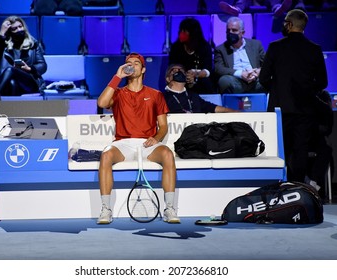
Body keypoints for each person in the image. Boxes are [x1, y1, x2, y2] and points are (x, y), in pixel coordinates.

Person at [96, 53, 180, 224]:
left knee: (168, 155)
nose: (132, 66)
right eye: (128, 63)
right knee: (105, 156)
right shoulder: (117, 93)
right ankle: (106, 210)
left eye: (136, 63)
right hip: (122, 144)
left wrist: (156, 138)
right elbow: (102, 103)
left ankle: (169, 209)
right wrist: (117, 77)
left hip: (147, 145)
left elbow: (163, 126)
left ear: (143, 69)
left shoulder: (156, 95)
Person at [259, 9, 328, 183]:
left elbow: (263, 78)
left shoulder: (275, 47)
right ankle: (297, 189)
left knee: (280, 150)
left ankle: (280, 188)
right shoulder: (314, 49)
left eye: (284, 23)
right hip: (305, 109)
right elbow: (323, 82)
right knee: (300, 151)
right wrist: (307, 91)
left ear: (289, 24)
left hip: (279, 109)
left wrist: (276, 89)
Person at [0, 16, 47, 96]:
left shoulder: (33, 43)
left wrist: (30, 68)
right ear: (9, 31)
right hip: (8, 81)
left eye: (20, 26)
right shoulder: (3, 44)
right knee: (12, 83)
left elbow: (43, 65)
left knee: (11, 70)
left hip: (29, 80)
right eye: (14, 29)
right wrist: (1, 34)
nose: (19, 30)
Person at [214, 16, 265, 94]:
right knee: (224, 81)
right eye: (228, 30)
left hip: (255, 80)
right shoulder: (220, 49)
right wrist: (241, 74)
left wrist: (258, 71)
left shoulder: (256, 44)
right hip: (235, 81)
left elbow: (267, 63)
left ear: (242, 33)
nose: (230, 33)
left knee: (271, 78)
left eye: (234, 30)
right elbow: (219, 68)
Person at [164, 64, 237, 113]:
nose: (178, 72)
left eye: (181, 71)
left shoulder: (193, 96)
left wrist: (241, 114)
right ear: (167, 79)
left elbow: (216, 108)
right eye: (174, 71)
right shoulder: (162, 98)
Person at [168, 18, 215, 94]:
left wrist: (196, 75)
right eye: (181, 30)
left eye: (184, 31)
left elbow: (207, 70)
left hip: (199, 78)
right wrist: (186, 76)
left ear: (193, 33)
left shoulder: (205, 47)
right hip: (181, 77)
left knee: (206, 82)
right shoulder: (176, 47)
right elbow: (172, 66)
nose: (181, 33)